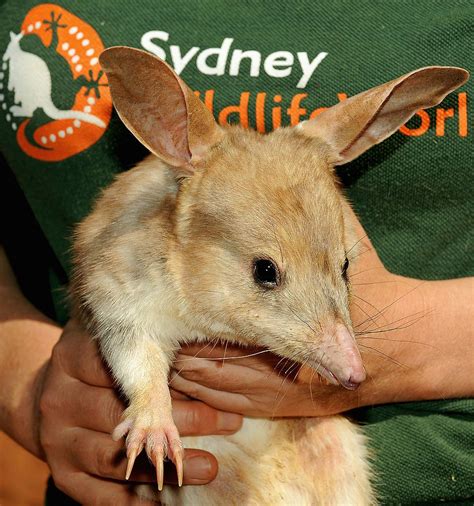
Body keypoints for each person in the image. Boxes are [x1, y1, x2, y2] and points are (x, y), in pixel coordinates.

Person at [0, 1, 472, 504]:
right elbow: (122, 308)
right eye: (266, 273)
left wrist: (420, 345)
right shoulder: (164, 229)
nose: (351, 367)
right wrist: (24, 387)